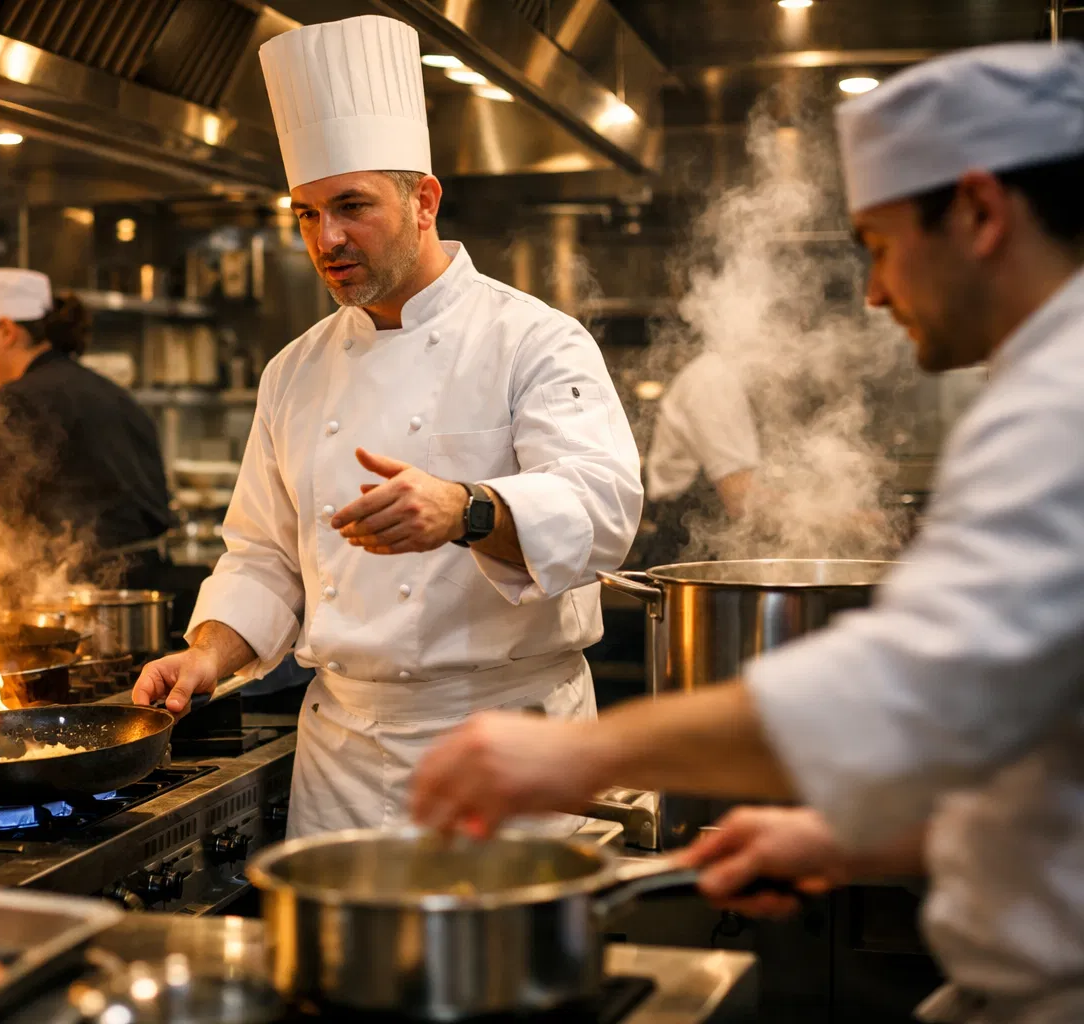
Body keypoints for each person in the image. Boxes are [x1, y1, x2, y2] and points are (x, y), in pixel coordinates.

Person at [411, 42, 1084, 1022]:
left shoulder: (1060, 404)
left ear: (980, 213)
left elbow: (909, 697)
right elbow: (1047, 748)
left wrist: (580, 757)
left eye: (882, 244)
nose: (875, 293)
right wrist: (852, 842)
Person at [132, 15, 643, 838]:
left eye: (352, 207)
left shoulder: (533, 339)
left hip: (508, 751)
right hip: (344, 762)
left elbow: (603, 514)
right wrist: (208, 654)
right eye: (305, 214)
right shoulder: (293, 371)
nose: (326, 239)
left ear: (424, 201)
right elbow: (264, 557)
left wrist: (467, 511)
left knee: (508, 969)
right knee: (339, 970)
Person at [0, 268, 177, 590]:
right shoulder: (113, 394)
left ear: (6, 331)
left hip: (89, 591)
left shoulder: (24, 398)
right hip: (153, 591)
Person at [638, 349, 758, 566]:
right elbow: (739, 497)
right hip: (688, 551)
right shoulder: (713, 380)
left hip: (707, 548)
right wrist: (823, 518)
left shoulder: (730, 379)